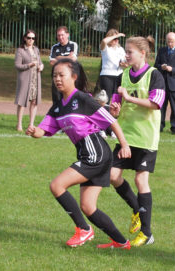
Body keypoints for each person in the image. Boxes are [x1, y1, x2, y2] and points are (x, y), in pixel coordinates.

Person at [26, 58, 132, 250]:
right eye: (55, 75)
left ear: (74, 77)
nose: (57, 79)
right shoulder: (58, 106)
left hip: (95, 153)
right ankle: (122, 242)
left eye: (62, 75)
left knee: (57, 185)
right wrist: (35, 132)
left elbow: (111, 121)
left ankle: (83, 229)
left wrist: (124, 145)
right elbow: (43, 131)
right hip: (89, 154)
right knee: (88, 207)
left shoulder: (83, 99)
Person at [110, 36, 165, 247]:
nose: (127, 55)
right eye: (126, 51)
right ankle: (136, 208)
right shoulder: (122, 76)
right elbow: (116, 107)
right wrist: (115, 110)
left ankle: (147, 233)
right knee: (113, 176)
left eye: (130, 51)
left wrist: (130, 98)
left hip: (146, 138)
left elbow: (156, 103)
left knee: (141, 181)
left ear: (142, 53)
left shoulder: (155, 75)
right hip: (126, 136)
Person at [154, 32, 175, 134]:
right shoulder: (162, 50)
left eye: (172, 41)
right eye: (168, 41)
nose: (170, 44)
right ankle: (160, 126)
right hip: (163, 84)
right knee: (161, 107)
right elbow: (156, 64)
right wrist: (162, 67)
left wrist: (172, 69)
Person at [14, 29, 44, 132]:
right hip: (25, 78)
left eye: (33, 38)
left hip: (35, 78)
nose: (31, 40)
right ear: (25, 38)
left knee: (34, 102)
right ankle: (19, 125)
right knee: (22, 102)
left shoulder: (36, 49)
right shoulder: (20, 50)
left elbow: (40, 62)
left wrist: (41, 66)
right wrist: (29, 65)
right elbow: (17, 66)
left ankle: (31, 124)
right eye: (29, 38)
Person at [49, 26, 78, 104]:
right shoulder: (54, 47)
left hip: (69, 76)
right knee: (57, 100)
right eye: (58, 35)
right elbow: (51, 62)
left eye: (62, 35)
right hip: (57, 76)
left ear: (67, 35)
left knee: (69, 99)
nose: (60, 37)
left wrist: (58, 58)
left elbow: (73, 60)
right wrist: (67, 57)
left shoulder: (73, 45)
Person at [99, 29, 127, 103]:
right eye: (114, 39)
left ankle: (115, 113)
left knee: (117, 98)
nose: (116, 40)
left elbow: (125, 62)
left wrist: (124, 65)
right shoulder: (105, 48)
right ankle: (104, 113)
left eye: (117, 39)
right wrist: (117, 35)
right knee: (106, 99)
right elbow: (104, 41)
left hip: (119, 75)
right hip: (107, 75)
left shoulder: (120, 49)